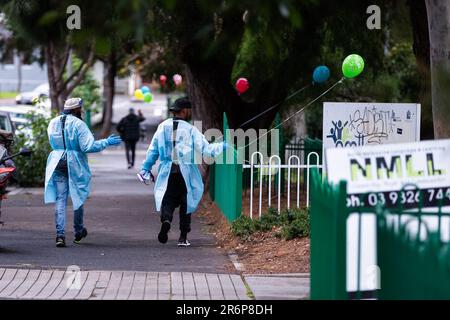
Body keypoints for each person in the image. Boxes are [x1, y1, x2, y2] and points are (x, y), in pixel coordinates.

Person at [139, 97, 228, 247]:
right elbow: (206, 150)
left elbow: (153, 151)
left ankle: (166, 220)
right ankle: (183, 237)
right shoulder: (191, 129)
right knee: (186, 203)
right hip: (186, 172)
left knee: (168, 200)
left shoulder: (162, 127)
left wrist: (146, 168)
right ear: (185, 111)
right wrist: (221, 146)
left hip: (168, 172)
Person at [44, 98, 122, 248]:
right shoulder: (79, 124)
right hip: (74, 163)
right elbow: (89, 147)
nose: (82, 110)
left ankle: (60, 235)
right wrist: (106, 142)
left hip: (57, 161)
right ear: (76, 109)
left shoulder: (53, 122)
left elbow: (53, 142)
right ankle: (78, 230)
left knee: (60, 199)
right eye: (80, 107)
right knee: (77, 196)